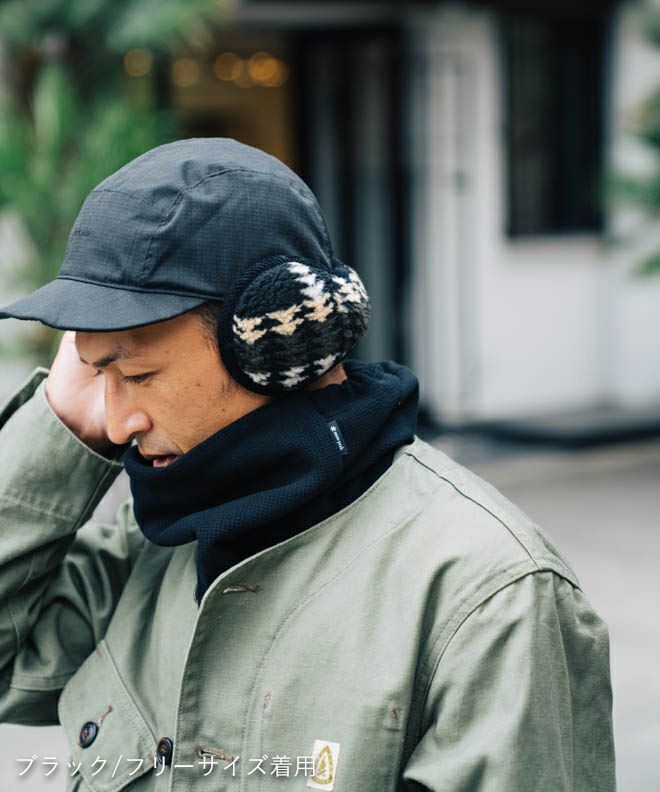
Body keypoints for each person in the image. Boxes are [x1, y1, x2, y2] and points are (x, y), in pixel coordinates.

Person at [0, 138, 615, 791]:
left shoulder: (489, 599)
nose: (118, 422)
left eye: (138, 375)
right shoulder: (149, 547)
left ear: (276, 344)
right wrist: (61, 421)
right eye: (98, 375)